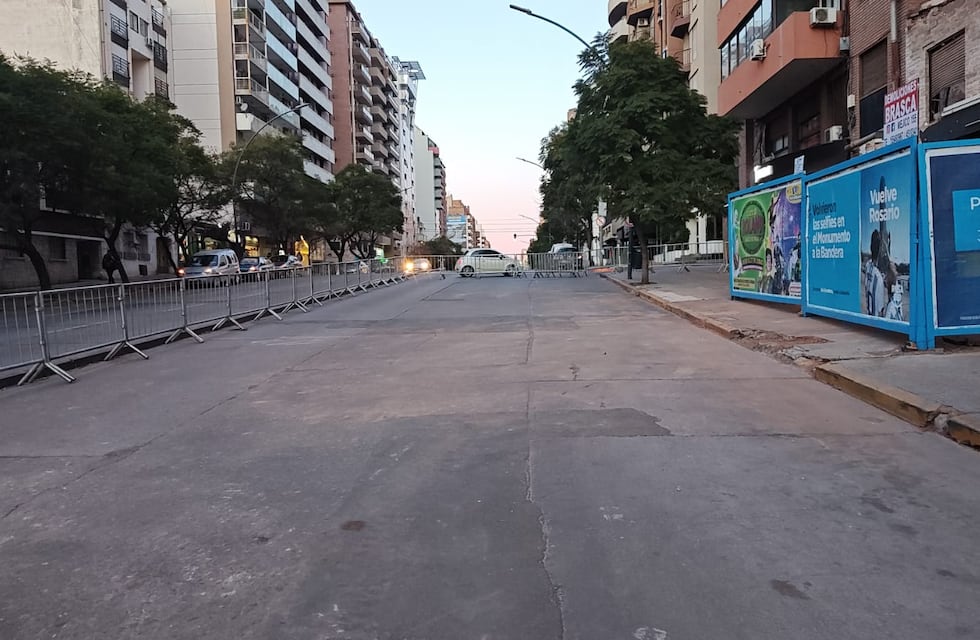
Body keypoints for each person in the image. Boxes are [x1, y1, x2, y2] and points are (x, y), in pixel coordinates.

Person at [865, 230, 887, 317]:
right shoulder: (878, 279)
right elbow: (880, 310)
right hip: (875, 317)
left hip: (868, 313)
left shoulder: (868, 266)